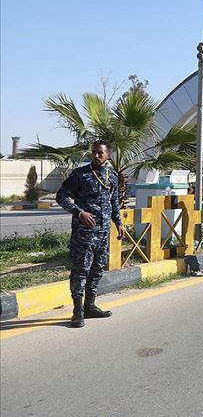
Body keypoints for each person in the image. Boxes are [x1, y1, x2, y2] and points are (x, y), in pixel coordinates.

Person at [56, 140, 125, 328]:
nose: (96, 155)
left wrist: (118, 223)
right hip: (83, 234)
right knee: (81, 270)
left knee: (97, 269)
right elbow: (61, 196)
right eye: (94, 152)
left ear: (108, 155)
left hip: (103, 233)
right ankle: (77, 311)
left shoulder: (112, 176)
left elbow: (114, 202)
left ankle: (90, 306)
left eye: (100, 153)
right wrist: (79, 212)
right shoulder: (80, 175)